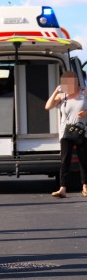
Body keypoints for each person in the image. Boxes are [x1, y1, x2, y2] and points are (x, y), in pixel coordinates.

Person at [44, 70, 87, 198]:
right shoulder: (62, 96)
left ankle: (85, 186)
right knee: (65, 160)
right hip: (66, 132)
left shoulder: (84, 92)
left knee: (84, 159)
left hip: (82, 131)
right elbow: (48, 106)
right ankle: (62, 188)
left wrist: (86, 113)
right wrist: (56, 91)